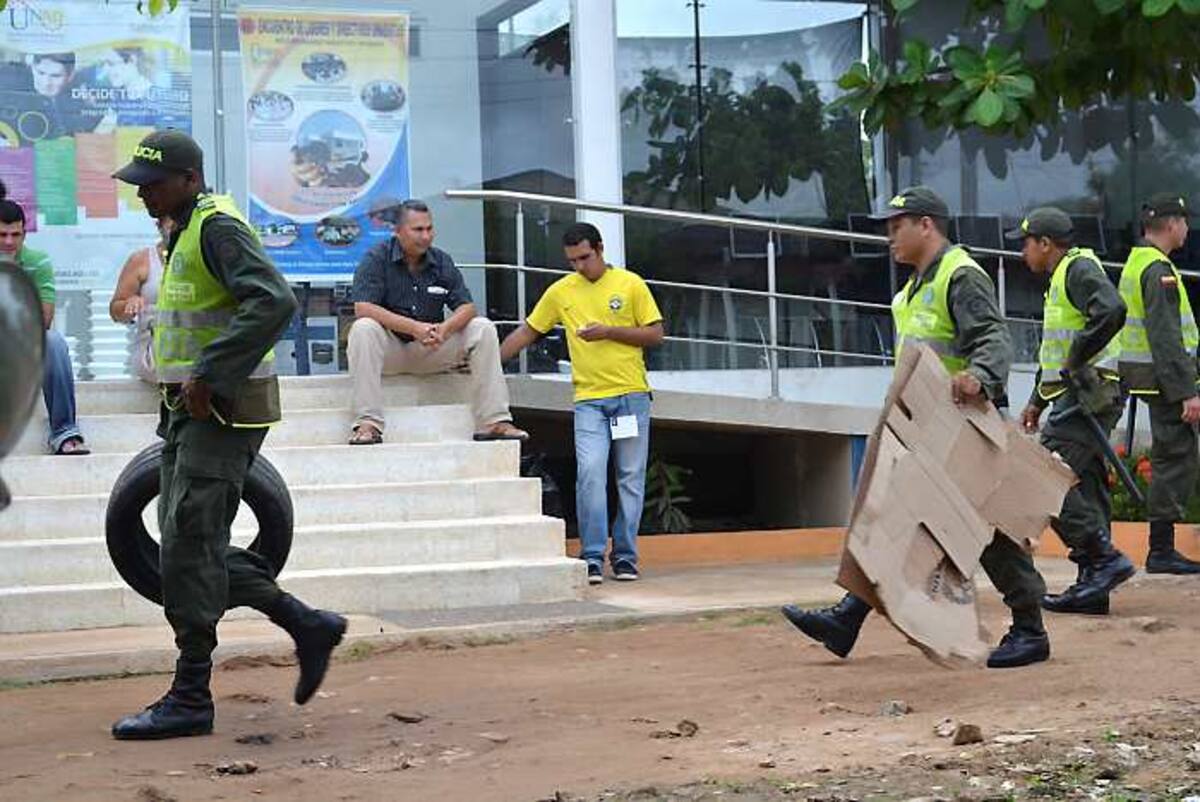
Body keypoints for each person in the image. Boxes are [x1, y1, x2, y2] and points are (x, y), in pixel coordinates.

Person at [109, 129, 346, 740]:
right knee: (187, 545)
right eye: (138, 184)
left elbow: (272, 302)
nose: (142, 193)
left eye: (152, 183)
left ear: (189, 180)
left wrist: (211, 375)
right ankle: (306, 624)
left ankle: (191, 696)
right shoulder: (181, 230)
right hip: (191, 412)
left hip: (224, 412)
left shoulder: (217, 226)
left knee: (189, 546)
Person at [780, 186, 1050, 669]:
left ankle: (1030, 628)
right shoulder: (912, 290)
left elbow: (992, 338)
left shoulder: (959, 275)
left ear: (926, 224)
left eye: (895, 226)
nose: (889, 238)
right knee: (893, 520)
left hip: (968, 428)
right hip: (929, 428)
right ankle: (848, 618)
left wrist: (981, 378)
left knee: (986, 532)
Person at [499, 223, 664, 585]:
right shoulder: (561, 291)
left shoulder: (630, 284)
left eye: (585, 258)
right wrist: (492, 361)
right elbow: (530, 330)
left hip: (630, 397)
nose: (579, 266)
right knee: (590, 474)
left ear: (601, 249)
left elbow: (655, 333)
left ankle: (625, 556)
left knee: (630, 479)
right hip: (589, 399)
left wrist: (609, 331)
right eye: (572, 260)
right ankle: (591, 556)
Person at [1010, 207, 1136, 615]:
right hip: (1082, 393)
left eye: (1026, 243)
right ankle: (1093, 587)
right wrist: (1036, 399)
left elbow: (1112, 310)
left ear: (1046, 244)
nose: (1023, 253)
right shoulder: (1061, 279)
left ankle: (1103, 560)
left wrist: (1077, 358)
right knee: (1086, 483)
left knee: (1041, 478)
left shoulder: (1078, 268)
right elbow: (1056, 354)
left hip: (1090, 394)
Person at [347, 199, 528, 445]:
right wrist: (413, 328)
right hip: (390, 351)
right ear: (398, 231)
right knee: (363, 328)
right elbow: (363, 307)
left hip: (432, 349)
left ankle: (494, 421)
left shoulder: (441, 261)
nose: (426, 236)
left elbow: (467, 306)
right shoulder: (376, 258)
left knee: (482, 327)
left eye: (429, 229)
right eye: (418, 230)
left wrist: (445, 329)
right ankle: (368, 424)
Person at [1117, 193, 1200, 574]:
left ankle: (1161, 548)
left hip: (1148, 375)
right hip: (1164, 379)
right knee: (1175, 456)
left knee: (1172, 454)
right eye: (1184, 221)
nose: (1187, 228)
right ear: (1170, 224)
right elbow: (1166, 337)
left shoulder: (1140, 261)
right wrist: (1187, 392)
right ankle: (1162, 550)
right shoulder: (1158, 270)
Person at [0, 182, 89, 455]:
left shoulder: (37, 262)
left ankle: (64, 432)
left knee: (54, 343)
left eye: (16, 235)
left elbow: (44, 319)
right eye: (1, 235)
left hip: (20, 345)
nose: (9, 242)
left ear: (25, 234)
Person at [110, 217, 173, 383]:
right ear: (159, 225)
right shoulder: (141, 260)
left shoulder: (203, 257)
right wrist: (130, 303)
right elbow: (116, 310)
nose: (175, 226)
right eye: (169, 221)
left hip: (197, 357)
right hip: (153, 359)